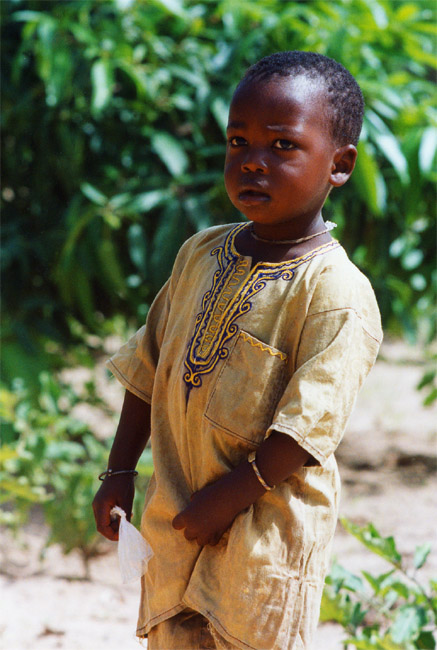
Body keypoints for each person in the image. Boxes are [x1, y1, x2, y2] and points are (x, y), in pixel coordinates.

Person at [92, 51, 383, 650]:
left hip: (263, 540)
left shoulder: (335, 292)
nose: (253, 161)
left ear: (340, 164)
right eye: (238, 141)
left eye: (282, 147)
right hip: (175, 526)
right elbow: (148, 371)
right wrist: (118, 470)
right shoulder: (200, 254)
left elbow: (306, 431)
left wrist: (223, 503)